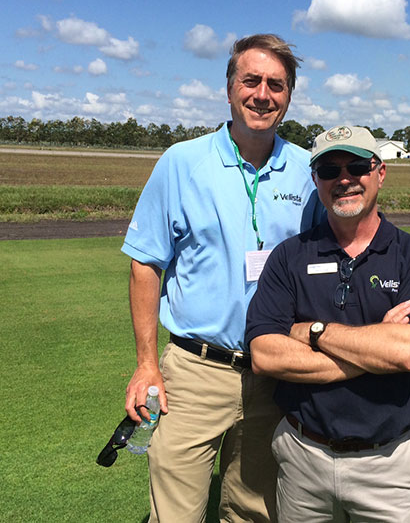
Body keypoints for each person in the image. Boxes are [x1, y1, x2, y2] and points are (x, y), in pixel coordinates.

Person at [121, 34, 323, 523]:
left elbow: (326, 262)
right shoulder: (181, 162)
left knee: (256, 511)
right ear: (229, 88)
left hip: (274, 374)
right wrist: (147, 365)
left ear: (289, 96)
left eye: (276, 84)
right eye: (250, 80)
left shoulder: (307, 171)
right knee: (175, 515)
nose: (262, 94)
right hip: (194, 371)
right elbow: (146, 263)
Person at [245, 125, 410, 522]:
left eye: (357, 166)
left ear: (380, 173)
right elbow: (265, 355)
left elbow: (407, 353)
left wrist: (314, 333)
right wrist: (373, 350)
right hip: (304, 457)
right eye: (330, 170)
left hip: (389, 463)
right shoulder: (288, 257)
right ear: (316, 180)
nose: (345, 179)